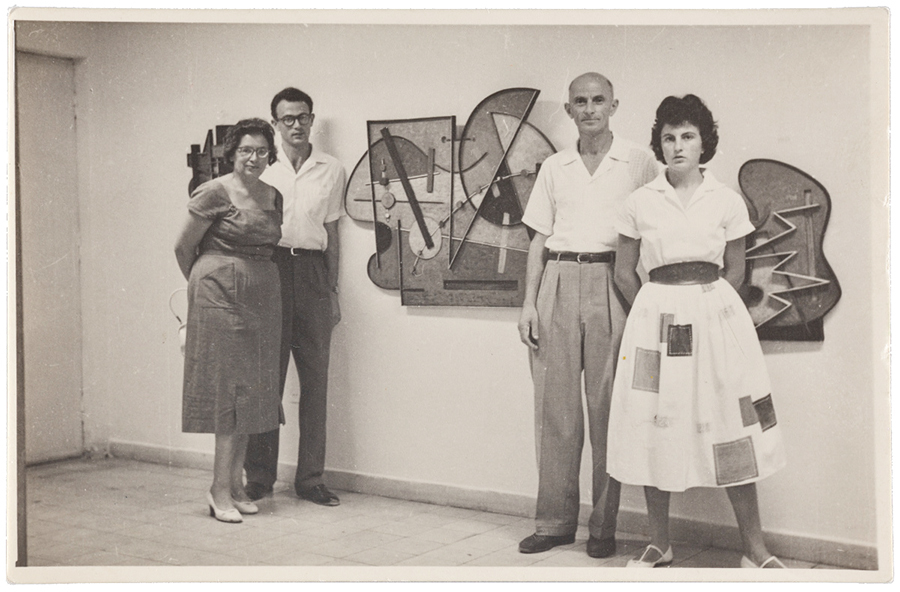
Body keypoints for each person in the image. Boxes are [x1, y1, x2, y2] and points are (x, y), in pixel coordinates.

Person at [608, 94, 787, 568]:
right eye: (668, 137)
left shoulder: (725, 200)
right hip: (656, 326)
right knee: (653, 420)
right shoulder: (639, 202)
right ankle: (659, 542)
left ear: (704, 142)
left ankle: (755, 549)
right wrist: (655, 311)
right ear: (659, 145)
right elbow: (626, 273)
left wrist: (704, 314)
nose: (677, 145)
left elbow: (734, 270)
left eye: (687, 136)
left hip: (714, 323)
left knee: (732, 422)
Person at [517, 72, 659, 557]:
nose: (591, 108)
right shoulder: (555, 166)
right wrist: (528, 304)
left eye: (599, 100)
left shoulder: (639, 160)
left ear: (614, 105)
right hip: (558, 279)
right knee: (554, 412)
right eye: (581, 101)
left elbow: (654, 227)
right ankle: (554, 522)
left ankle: (603, 527)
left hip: (612, 282)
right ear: (569, 109)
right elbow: (537, 239)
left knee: (607, 412)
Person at [175, 118, 284, 523]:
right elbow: (183, 246)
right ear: (232, 154)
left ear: (269, 155)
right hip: (219, 299)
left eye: (261, 151)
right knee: (228, 395)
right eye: (246, 150)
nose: (254, 158)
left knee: (252, 393)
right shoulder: (214, 191)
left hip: (262, 299)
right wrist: (209, 288)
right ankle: (218, 489)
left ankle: (236, 485)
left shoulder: (274, 195)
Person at [243, 87, 346, 506]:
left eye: (303, 117)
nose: (297, 125)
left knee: (316, 382)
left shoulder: (331, 169)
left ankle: (311, 479)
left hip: (313, 274)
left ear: (312, 119)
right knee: (267, 379)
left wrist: (333, 290)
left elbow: (334, 232)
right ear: (275, 124)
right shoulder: (260, 170)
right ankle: (260, 477)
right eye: (288, 119)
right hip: (270, 270)